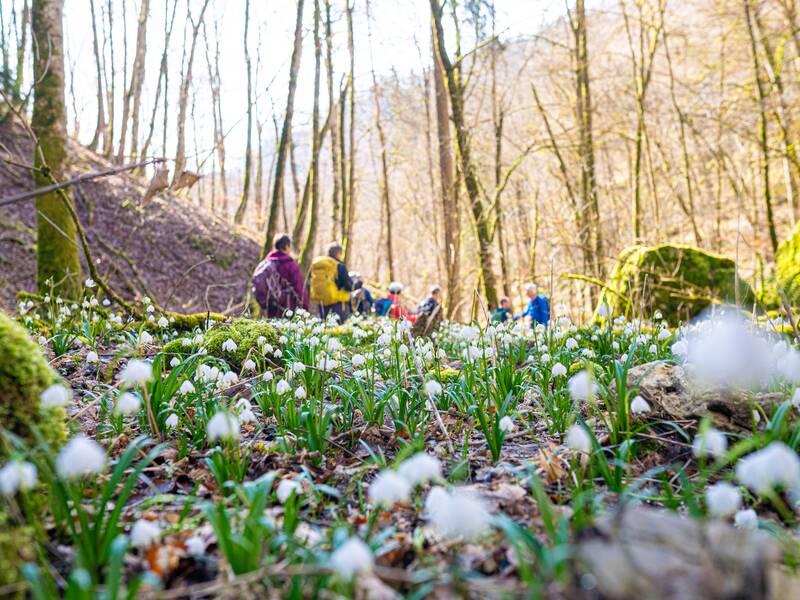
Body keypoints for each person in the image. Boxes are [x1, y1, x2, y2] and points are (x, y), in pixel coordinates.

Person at [252, 234, 308, 318]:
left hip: (270, 306)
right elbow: (299, 287)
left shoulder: (267, 262)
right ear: (286, 246)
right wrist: (304, 306)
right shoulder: (291, 264)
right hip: (288, 307)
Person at [309, 242, 353, 322]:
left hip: (322, 303)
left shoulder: (319, 265)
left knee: (326, 327)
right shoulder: (339, 266)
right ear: (338, 253)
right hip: (339, 304)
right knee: (339, 329)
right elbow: (349, 286)